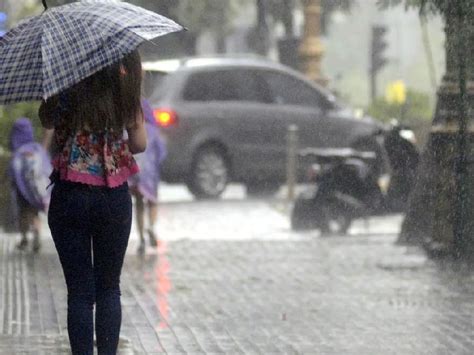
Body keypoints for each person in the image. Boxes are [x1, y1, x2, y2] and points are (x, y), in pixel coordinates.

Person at [39, 49, 146, 355]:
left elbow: (46, 119)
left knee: (80, 293)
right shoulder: (124, 89)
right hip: (112, 197)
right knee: (109, 287)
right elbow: (139, 143)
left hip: (70, 195)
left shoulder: (64, 89)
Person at [129, 99, 167, 254]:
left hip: (135, 173)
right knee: (152, 202)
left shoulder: (132, 129)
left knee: (138, 204)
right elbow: (162, 153)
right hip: (150, 175)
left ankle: (142, 239)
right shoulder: (154, 131)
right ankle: (151, 226)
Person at [8, 118, 51, 252]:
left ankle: (24, 238)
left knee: (23, 213)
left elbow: (13, 172)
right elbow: (46, 168)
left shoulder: (18, 152)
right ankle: (37, 232)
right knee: (35, 213)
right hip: (36, 191)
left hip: (22, 191)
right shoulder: (37, 149)